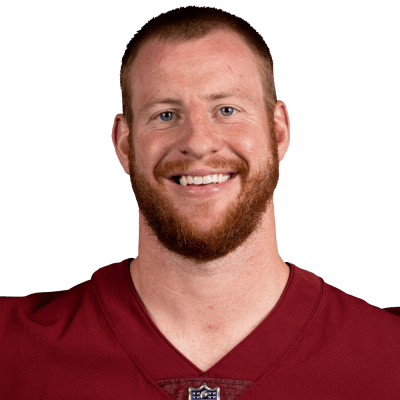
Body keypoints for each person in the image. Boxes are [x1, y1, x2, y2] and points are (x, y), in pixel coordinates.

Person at [1, 5, 399, 399]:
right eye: (165, 115)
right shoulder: (10, 348)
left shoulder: (390, 353)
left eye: (226, 110)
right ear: (124, 144)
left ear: (278, 133)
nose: (198, 142)